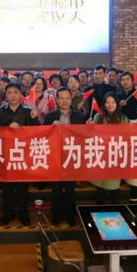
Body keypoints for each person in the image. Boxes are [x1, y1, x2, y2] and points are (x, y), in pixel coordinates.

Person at [0, 82, 40, 226]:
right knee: (7, 189)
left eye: (15, 92)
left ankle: (23, 215)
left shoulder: (28, 111)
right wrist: (7, 127)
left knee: (22, 189)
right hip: (5, 155)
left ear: (21, 94)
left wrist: (34, 118)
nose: (13, 95)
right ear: (5, 95)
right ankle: (7, 215)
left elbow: (38, 132)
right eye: (9, 93)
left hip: (23, 155)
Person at [44, 87, 85, 226]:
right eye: (61, 98)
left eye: (67, 98)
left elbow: (84, 137)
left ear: (71, 99)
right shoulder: (50, 116)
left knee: (70, 190)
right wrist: (51, 128)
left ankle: (70, 216)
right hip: (55, 158)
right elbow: (43, 136)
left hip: (72, 158)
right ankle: (56, 216)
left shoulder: (79, 117)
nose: (64, 101)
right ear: (57, 99)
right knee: (56, 190)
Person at [88, 93, 128, 204]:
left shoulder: (122, 118)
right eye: (107, 102)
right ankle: (99, 209)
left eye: (113, 102)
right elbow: (91, 136)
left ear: (117, 104)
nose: (110, 105)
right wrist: (89, 127)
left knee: (114, 187)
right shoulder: (98, 116)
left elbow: (126, 137)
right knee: (100, 187)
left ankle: (116, 209)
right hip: (101, 154)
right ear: (104, 104)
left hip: (115, 156)